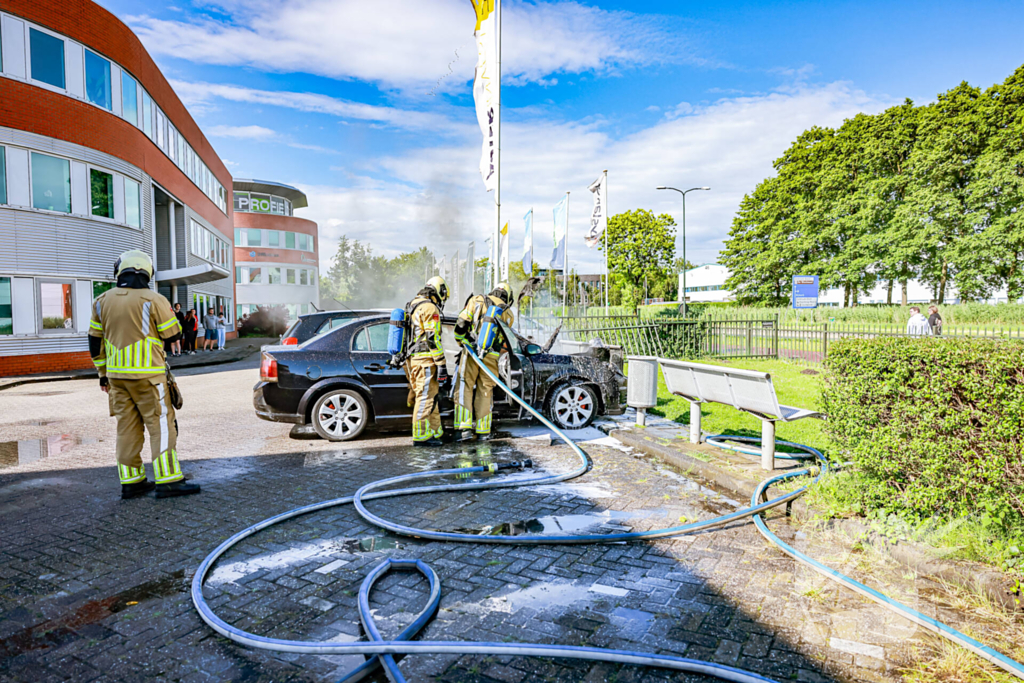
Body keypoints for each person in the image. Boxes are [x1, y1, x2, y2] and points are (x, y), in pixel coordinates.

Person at [88, 250, 200, 499]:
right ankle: (169, 480)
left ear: (121, 270)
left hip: (116, 378)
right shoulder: (154, 299)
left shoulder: (100, 301)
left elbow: (95, 343)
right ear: (146, 271)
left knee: (126, 428)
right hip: (149, 377)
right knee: (160, 425)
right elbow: (173, 335)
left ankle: (132, 482)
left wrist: (103, 375)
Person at [453, 282, 515, 441]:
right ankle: (483, 431)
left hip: (472, 351)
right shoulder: (508, 313)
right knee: (486, 390)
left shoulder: (477, 300)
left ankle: (464, 428)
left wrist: (461, 341)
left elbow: (461, 323)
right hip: (492, 355)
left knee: (465, 385)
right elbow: (504, 339)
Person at [404, 276, 450, 447]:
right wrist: (441, 363)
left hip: (413, 359)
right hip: (425, 360)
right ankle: (421, 436)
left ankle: (435, 431)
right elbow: (432, 338)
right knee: (425, 399)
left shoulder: (413, 305)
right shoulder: (429, 308)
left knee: (430, 397)